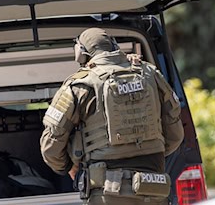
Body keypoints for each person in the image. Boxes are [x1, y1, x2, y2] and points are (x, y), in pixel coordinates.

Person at [40, 27, 184, 204]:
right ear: (114, 46)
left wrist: (70, 167)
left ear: (81, 54)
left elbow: (51, 148)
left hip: (108, 192)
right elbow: (175, 135)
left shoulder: (79, 86)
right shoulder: (150, 74)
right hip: (154, 187)